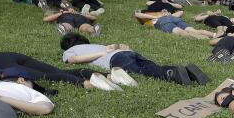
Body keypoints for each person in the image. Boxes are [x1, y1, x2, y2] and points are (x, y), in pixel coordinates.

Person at [60, 33, 207, 85]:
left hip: (116, 58)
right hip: (127, 52)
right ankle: (181, 71)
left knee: (141, 72)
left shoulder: (69, 50)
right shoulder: (95, 45)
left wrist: (102, 53)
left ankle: (172, 74)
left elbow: (75, 60)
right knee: (150, 68)